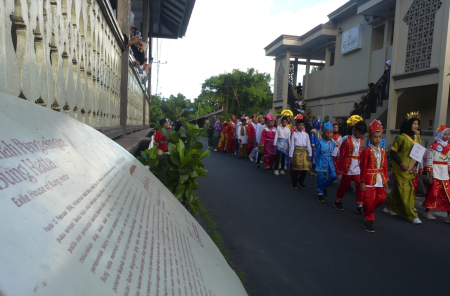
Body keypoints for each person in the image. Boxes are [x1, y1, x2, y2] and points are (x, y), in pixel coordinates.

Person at [384, 112, 423, 224]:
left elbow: (418, 154)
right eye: (414, 123)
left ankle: (390, 207)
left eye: (417, 124)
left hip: (410, 169)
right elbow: (393, 152)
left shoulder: (417, 138)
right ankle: (411, 214)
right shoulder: (401, 138)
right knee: (407, 190)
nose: (416, 126)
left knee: (399, 188)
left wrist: (415, 166)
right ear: (408, 124)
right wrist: (401, 164)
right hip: (401, 168)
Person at [360, 120, 389, 233]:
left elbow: (385, 166)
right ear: (370, 138)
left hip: (380, 179)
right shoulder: (366, 151)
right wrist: (362, 181)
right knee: (369, 200)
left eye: (380, 137)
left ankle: (367, 209)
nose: (378, 139)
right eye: (375, 137)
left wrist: (385, 180)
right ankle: (369, 220)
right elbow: (362, 167)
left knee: (381, 198)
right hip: (368, 179)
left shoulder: (383, 151)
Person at [335, 116, 367, 213]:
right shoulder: (347, 141)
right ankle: (338, 200)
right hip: (348, 166)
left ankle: (360, 205)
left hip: (357, 167)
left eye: (362, 134)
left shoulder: (361, 141)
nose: (361, 135)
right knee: (344, 185)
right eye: (360, 133)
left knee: (359, 186)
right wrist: (340, 168)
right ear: (354, 130)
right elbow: (342, 154)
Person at [422, 125, 450, 223]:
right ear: (440, 134)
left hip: (445, 173)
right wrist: (430, 175)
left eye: (448, 134)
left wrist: (449, 174)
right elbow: (430, 161)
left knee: (447, 193)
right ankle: (427, 211)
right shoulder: (433, 146)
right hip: (435, 172)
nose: (447, 136)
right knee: (433, 192)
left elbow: (449, 161)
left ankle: (448, 214)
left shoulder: (449, 147)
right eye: (445, 134)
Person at [313, 122, 337, 202]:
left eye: (330, 132)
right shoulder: (320, 142)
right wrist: (314, 162)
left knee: (333, 176)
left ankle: (323, 187)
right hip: (321, 160)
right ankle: (320, 193)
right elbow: (316, 152)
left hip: (330, 161)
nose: (328, 134)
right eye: (326, 132)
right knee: (321, 178)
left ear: (332, 133)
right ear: (323, 132)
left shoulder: (333, 143)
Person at [289, 115, 312, 189]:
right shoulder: (294, 135)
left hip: (304, 152)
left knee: (305, 168)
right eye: (299, 125)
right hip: (297, 152)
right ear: (296, 125)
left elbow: (308, 145)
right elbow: (292, 146)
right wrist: (291, 156)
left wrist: (310, 154)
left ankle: (300, 181)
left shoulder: (306, 135)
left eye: (302, 125)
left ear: (304, 126)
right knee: (296, 168)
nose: (300, 126)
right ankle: (294, 183)